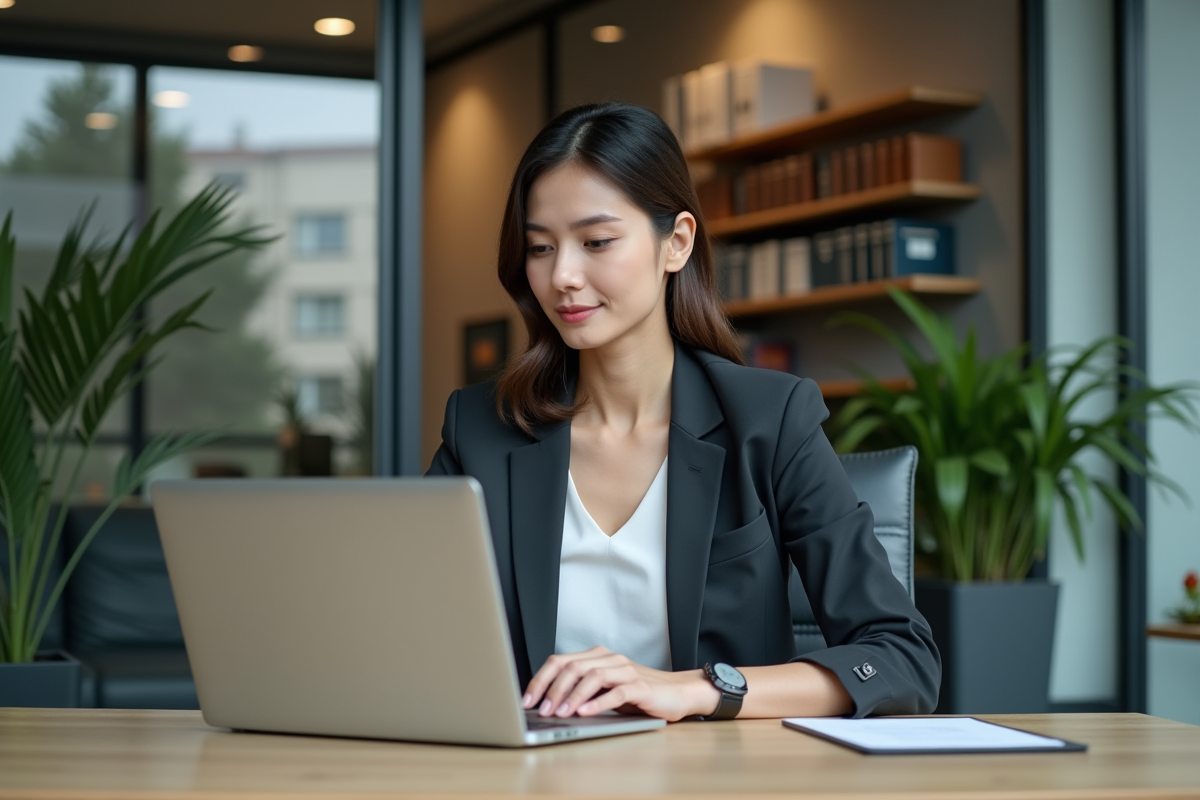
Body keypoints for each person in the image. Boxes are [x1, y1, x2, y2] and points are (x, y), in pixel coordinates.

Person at [427, 102, 940, 722]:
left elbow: (902, 659)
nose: (562, 275)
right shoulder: (482, 429)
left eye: (596, 242)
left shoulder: (768, 421)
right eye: (540, 248)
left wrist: (695, 689)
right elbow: (404, 632)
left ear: (676, 244)